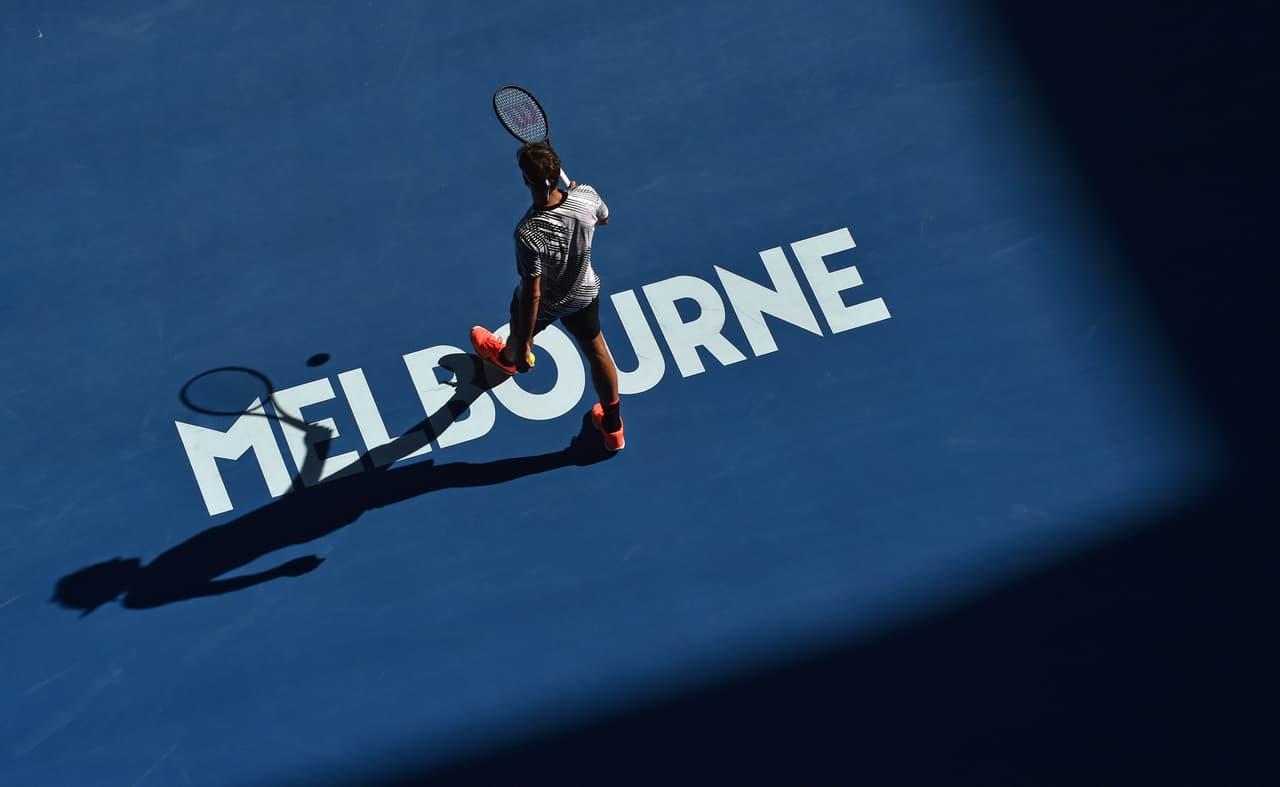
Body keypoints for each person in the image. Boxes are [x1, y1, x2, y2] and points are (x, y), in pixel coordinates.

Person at [470, 141, 625, 451]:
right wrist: (581, 196)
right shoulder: (587, 196)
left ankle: (509, 358)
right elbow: (604, 218)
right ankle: (613, 428)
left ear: (526, 180)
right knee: (597, 352)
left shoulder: (528, 233)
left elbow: (532, 293)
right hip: (583, 292)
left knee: (518, 331)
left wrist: (526, 340)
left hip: (549, 302)